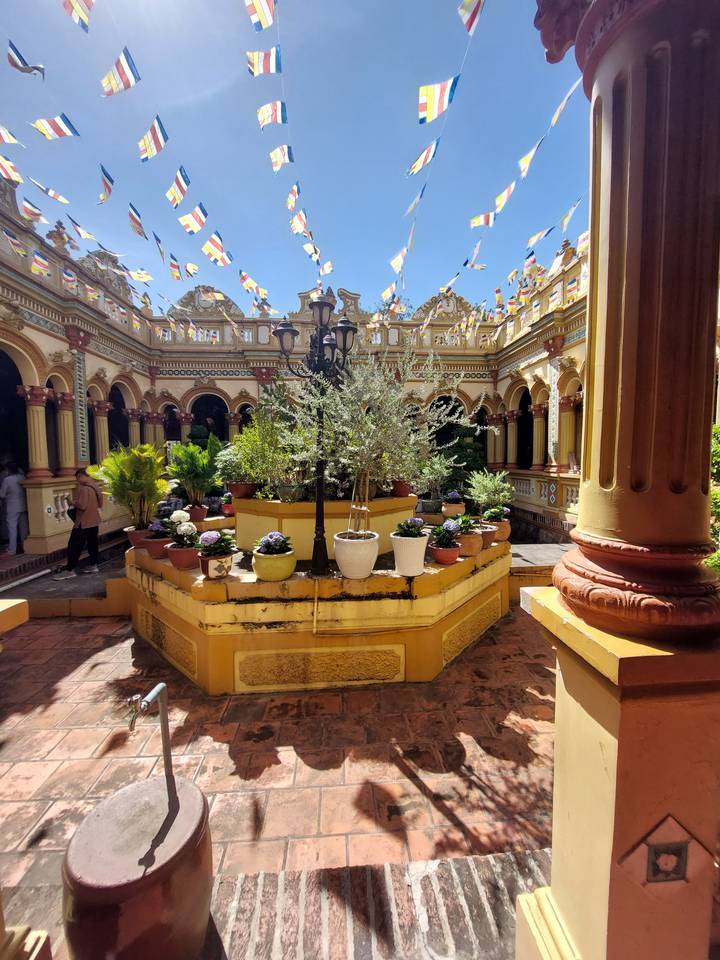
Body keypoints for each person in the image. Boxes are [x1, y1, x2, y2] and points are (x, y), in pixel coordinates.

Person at [54, 468, 103, 579]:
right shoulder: (96, 486)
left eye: (77, 478)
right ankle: (93, 565)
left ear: (82, 476)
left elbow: (82, 506)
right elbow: (100, 503)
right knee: (92, 544)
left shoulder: (84, 489)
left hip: (83, 522)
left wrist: (72, 502)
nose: (77, 481)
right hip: (94, 521)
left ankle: (70, 570)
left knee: (74, 546)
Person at [0, 463, 28, 556]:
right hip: (23, 505)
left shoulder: (7, 480)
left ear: (8, 470)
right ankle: (25, 547)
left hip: (12, 506)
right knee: (24, 528)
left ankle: (12, 549)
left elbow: (2, 494)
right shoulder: (23, 477)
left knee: (12, 528)